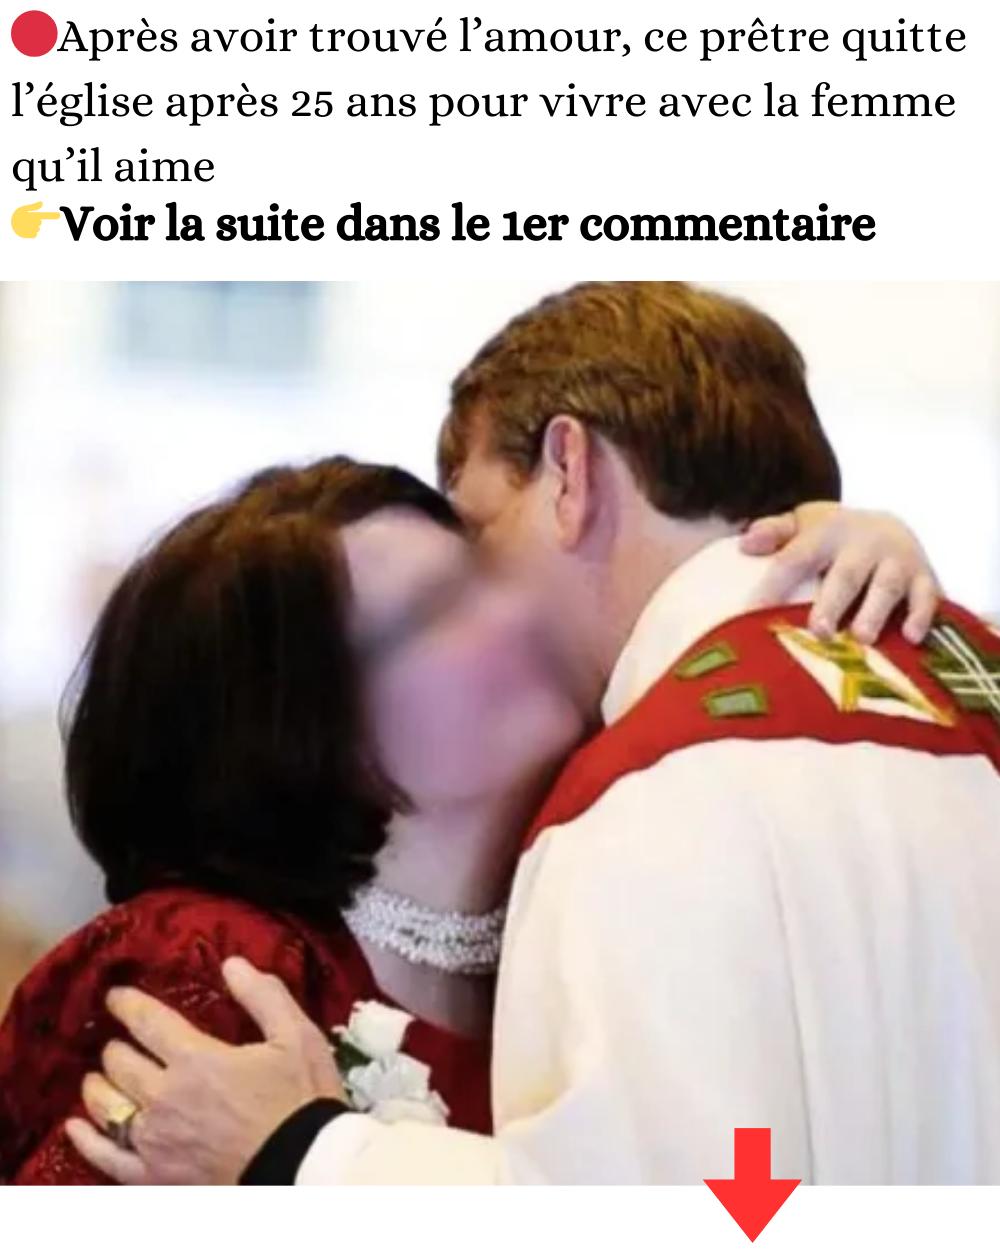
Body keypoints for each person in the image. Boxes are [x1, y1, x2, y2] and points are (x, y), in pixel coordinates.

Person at [67, 283, 1000, 1185]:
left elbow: (701, 1200)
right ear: (307, 721)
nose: (506, 614)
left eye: (480, 542)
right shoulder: (955, 685)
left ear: (569, 472)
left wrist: (305, 1159)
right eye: (440, 605)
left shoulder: (648, 795)